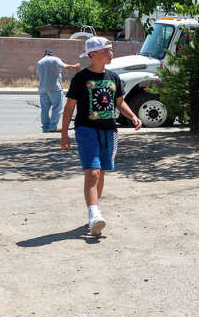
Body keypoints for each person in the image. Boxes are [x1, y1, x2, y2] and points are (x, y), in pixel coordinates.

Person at [59, 36, 142, 236]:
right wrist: (64, 134)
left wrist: (132, 116)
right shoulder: (81, 78)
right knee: (93, 173)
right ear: (92, 54)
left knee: (102, 171)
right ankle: (94, 214)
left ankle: (94, 210)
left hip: (109, 130)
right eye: (106, 51)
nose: (110, 53)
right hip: (86, 130)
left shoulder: (113, 77)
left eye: (111, 50)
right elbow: (69, 107)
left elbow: (119, 102)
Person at [36, 48, 77, 133]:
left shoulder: (39, 62)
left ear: (44, 54)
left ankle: (45, 128)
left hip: (42, 88)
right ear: (52, 54)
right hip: (55, 88)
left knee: (44, 109)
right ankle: (52, 127)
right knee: (57, 108)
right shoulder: (55, 59)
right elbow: (65, 66)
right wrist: (75, 66)